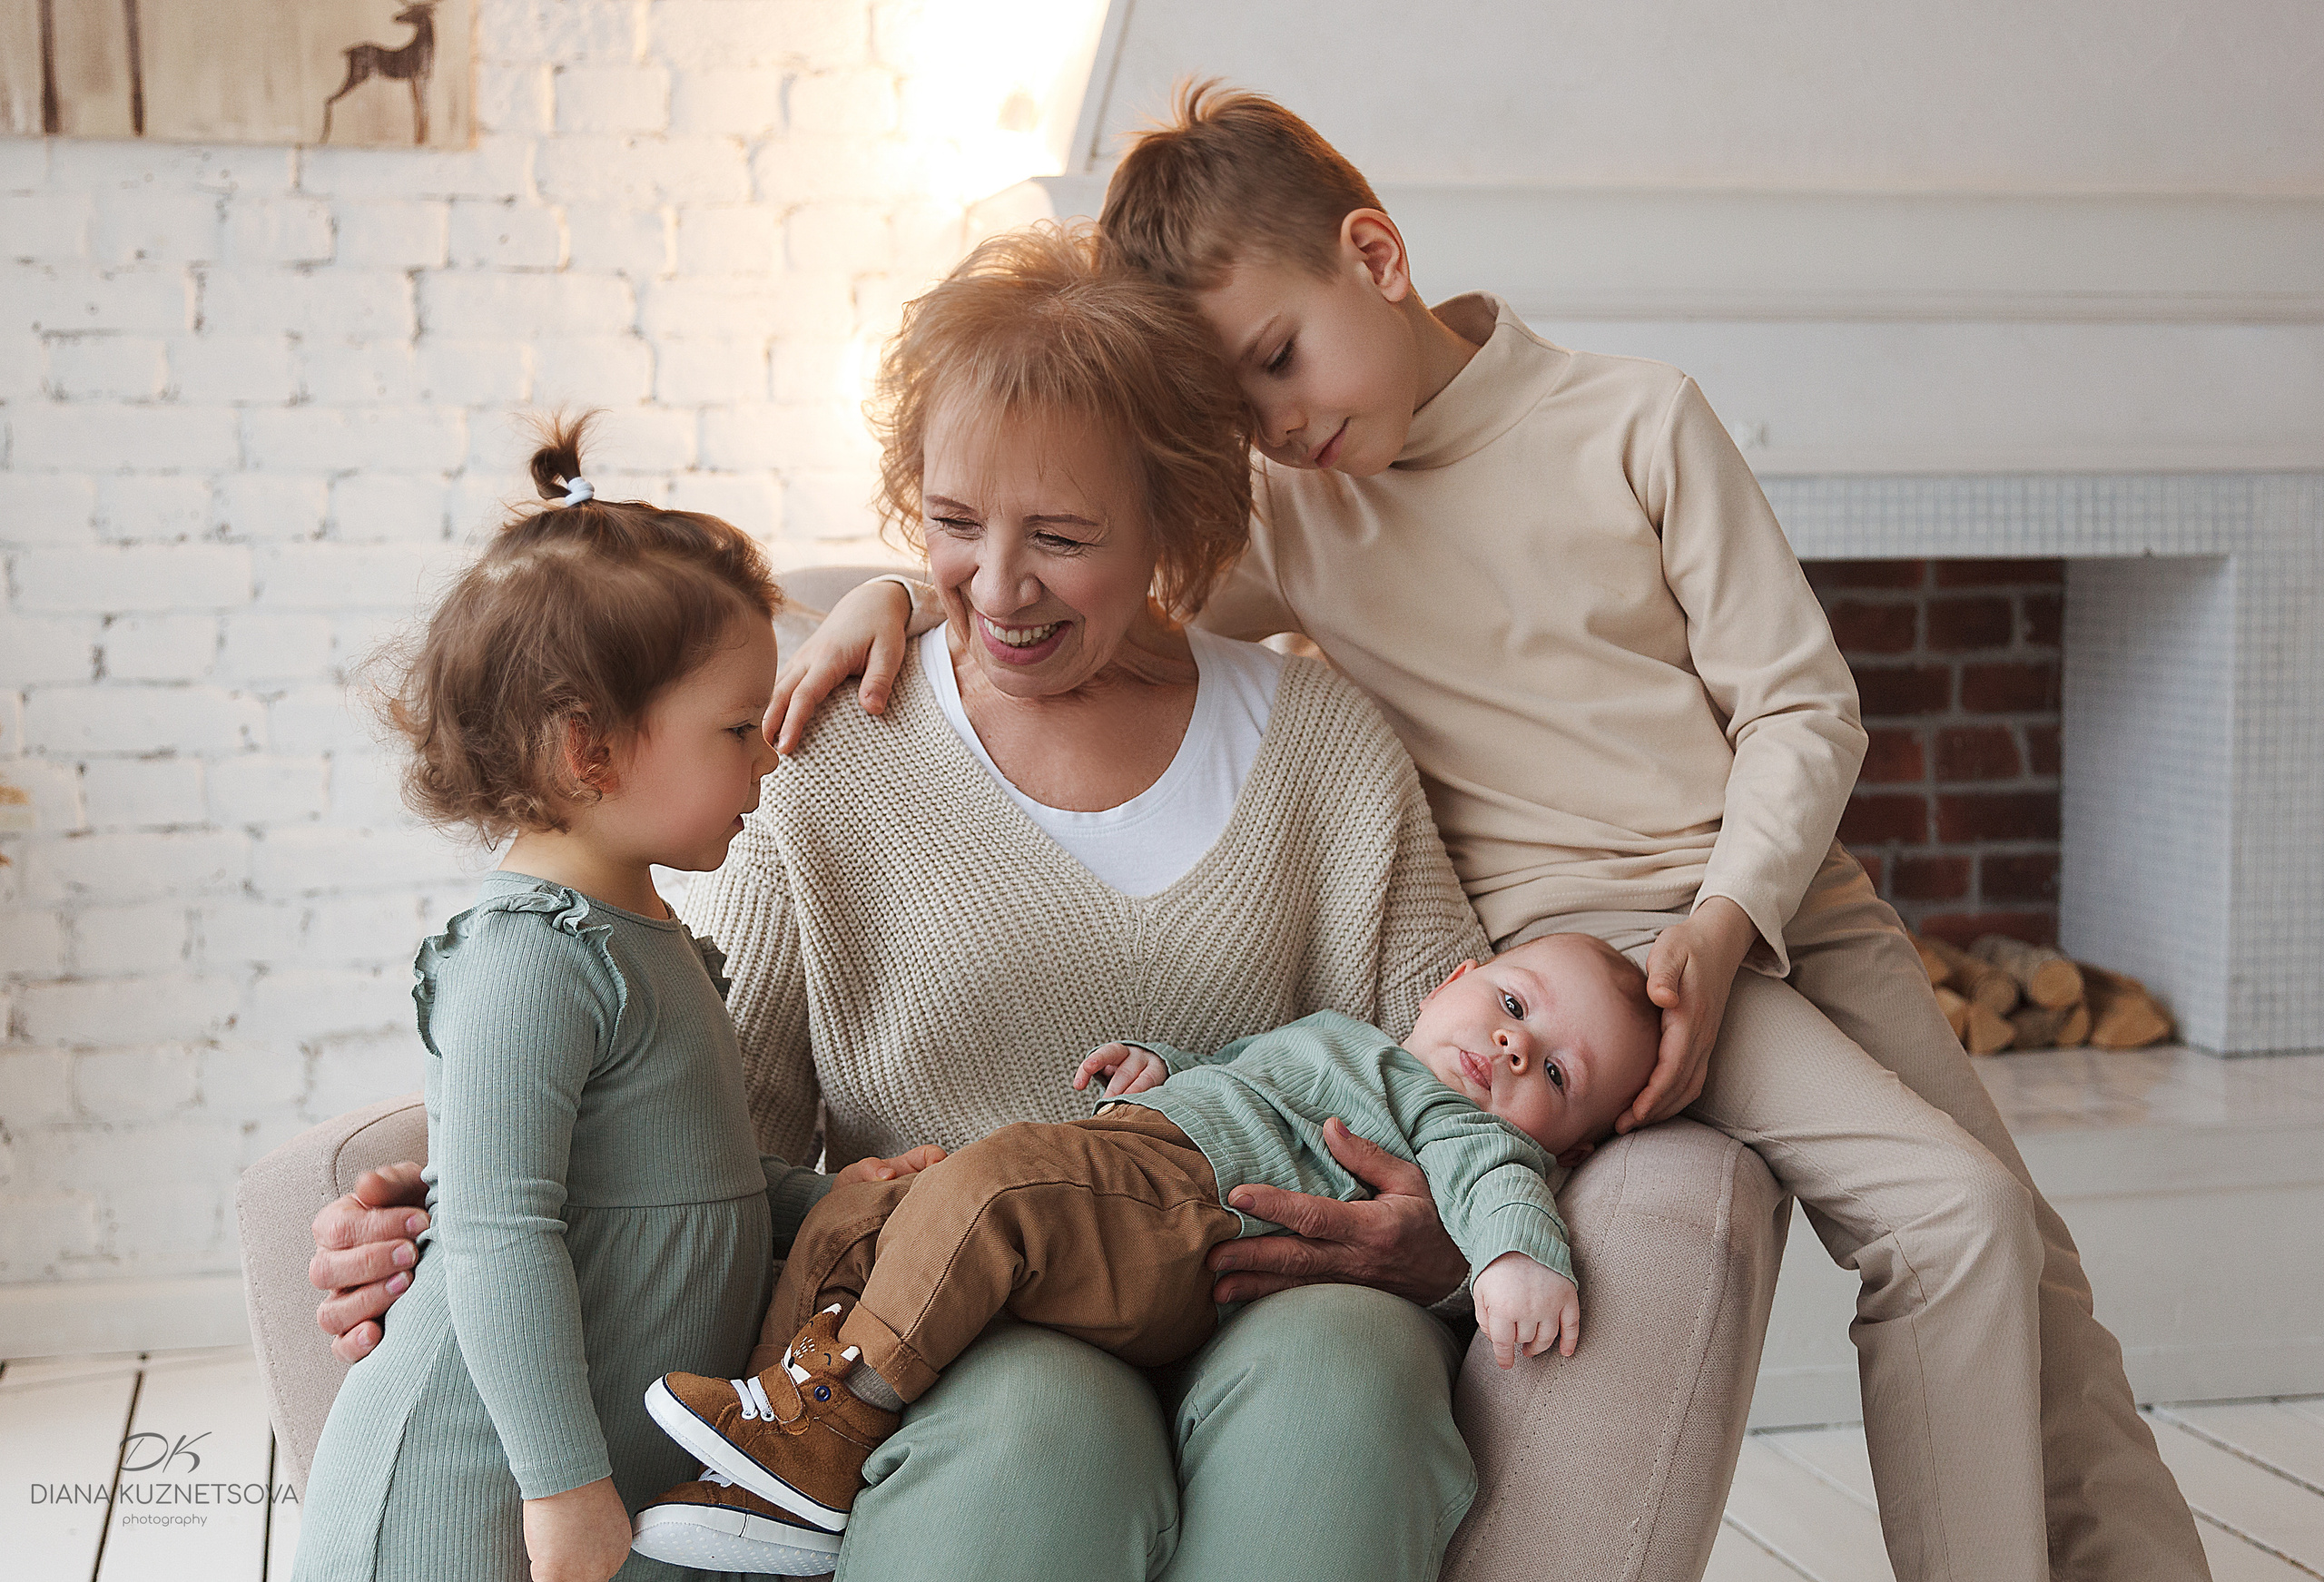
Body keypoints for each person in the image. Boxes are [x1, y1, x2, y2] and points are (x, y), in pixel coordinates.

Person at [772, 85, 2211, 1582]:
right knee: (1961, 1217)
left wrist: (1729, 922)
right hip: (1602, 959)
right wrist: (878, 592)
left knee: (2019, 1252)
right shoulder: (1299, 512)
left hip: (1772, 899)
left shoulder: (1637, 421)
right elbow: (1052, 559)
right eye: (1236, 404)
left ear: (1376, 255)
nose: (1278, 425)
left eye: (1278, 357)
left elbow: (1802, 706)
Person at [310, 224, 1502, 1582]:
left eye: (1061, 535)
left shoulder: (1323, 743)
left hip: (1272, 1274)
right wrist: (435, 1222)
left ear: (1177, 513)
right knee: (1035, 1422)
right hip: (937, 1323)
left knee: (1352, 1379)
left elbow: (1477, 1064)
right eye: (949, 525)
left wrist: (1446, 1240)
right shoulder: (816, 749)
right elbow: (690, 1134)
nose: (997, 588)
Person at [291, 420, 943, 1582]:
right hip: (466, 1491)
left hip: (589, 1486)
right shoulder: (525, 958)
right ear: (587, 749)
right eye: (737, 730)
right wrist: (562, 1487)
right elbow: (496, 1237)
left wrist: (829, 1199)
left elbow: (683, 1190)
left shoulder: (653, 945)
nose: (768, 760)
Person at [634, 934, 1659, 1572]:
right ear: (1457, 979)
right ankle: (776, 1459)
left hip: (1191, 1214)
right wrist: (1164, 1065)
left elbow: (1495, 1185)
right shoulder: (1345, 1041)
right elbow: (1243, 1070)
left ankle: (836, 1417)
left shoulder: (1452, 1120)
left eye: (1557, 1075)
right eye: (1514, 1007)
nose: (1515, 1048)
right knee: (854, 1222)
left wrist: (1512, 1261)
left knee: (1001, 1185)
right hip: (1135, 1162)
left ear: (1562, 1147)